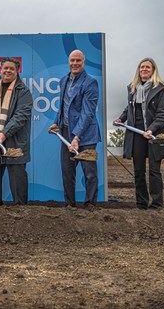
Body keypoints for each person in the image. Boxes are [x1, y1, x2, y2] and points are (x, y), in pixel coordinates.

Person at [114, 58, 164, 209]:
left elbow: (162, 115)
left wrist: (151, 129)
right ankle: (141, 204)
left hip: (154, 134)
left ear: (153, 70)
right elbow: (129, 109)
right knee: (139, 171)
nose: (144, 70)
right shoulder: (133, 89)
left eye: (147, 67)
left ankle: (156, 205)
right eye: (142, 67)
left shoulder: (160, 89)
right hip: (136, 134)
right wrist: (121, 118)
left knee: (154, 171)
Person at [48, 50, 101, 209]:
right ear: (69, 61)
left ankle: (90, 205)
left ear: (84, 62)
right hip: (65, 131)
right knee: (67, 171)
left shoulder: (90, 82)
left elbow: (87, 113)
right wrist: (56, 122)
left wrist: (77, 137)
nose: (75, 63)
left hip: (86, 135)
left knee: (90, 173)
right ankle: (69, 205)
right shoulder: (64, 80)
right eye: (72, 60)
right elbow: (63, 106)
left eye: (78, 60)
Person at [0, 57, 33, 207]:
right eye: (5, 68)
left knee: (17, 178)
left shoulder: (23, 91)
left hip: (14, 141)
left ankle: (21, 209)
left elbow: (21, 115)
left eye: (11, 69)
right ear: (0, 70)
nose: (8, 71)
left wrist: (5, 133)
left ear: (17, 71)